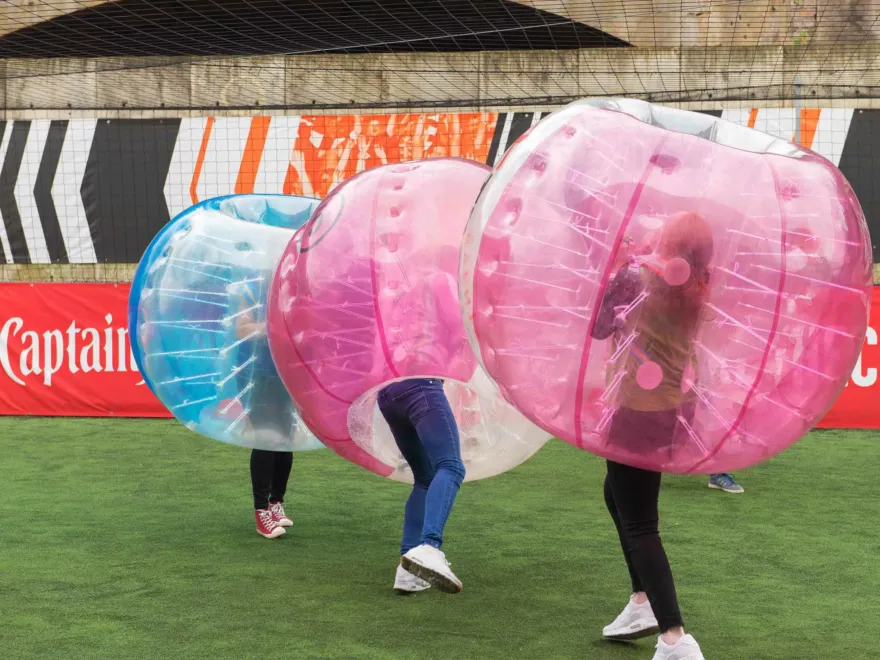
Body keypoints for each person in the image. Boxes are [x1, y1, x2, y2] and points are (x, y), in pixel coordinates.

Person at [591, 212, 712, 660]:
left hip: (635, 410)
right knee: (615, 494)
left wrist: (616, 274)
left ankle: (675, 636)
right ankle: (641, 600)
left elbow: (599, 327)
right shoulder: (698, 284)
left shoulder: (636, 275)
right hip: (670, 409)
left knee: (640, 521)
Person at [377, 253, 469, 594]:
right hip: (421, 384)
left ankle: (408, 566)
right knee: (451, 466)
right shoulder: (440, 280)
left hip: (389, 391)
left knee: (426, 477)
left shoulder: (401, 291)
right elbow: (460, 330)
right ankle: (429, 547)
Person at [233, 276, 297, 539]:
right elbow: (241, 329)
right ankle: (261, 512)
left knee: (286, 437)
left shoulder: (293, 287)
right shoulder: (251, 287)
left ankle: (276, 502)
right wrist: (275, 325)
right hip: (257, 373)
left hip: (287, 371)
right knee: (265, 436)